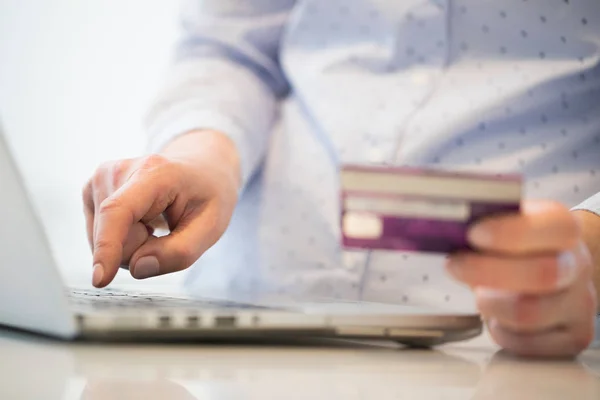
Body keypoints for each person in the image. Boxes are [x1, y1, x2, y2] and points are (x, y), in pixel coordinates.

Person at [82, 0, 600, 357]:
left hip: (521, 346)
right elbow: (229, 46)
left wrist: (592, 248)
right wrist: (200, 156)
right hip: (242, 322)